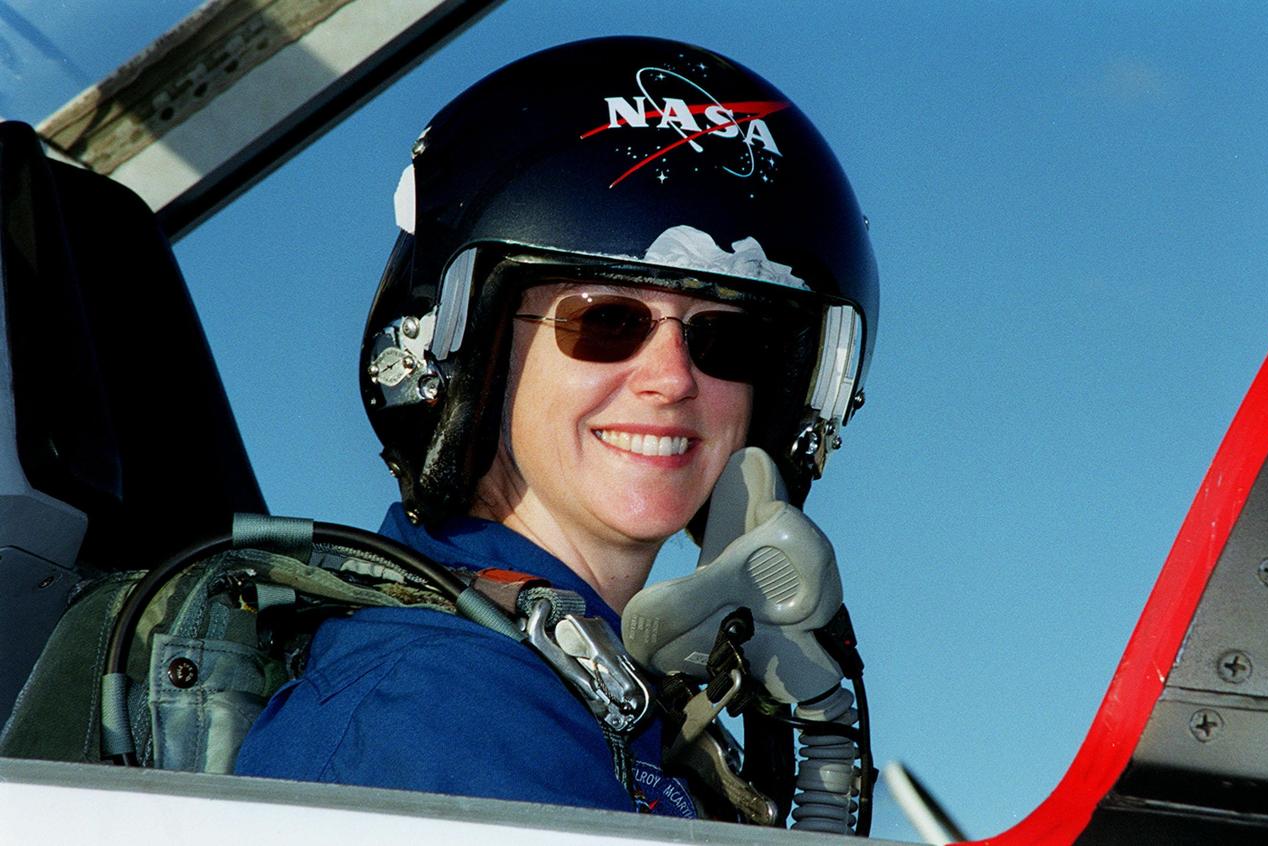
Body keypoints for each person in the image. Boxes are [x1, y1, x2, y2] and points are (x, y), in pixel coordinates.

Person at [234, 35, 878, 819]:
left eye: (725, 342)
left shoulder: (604, 706)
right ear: (483, 355)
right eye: (605, 322)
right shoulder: (440, 712)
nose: (673, 379)